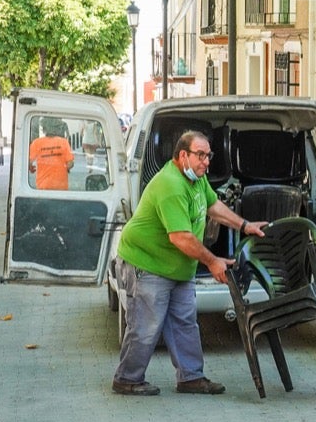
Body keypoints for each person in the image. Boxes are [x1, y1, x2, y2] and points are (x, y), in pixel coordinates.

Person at [112, 131, 266, 396]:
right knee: (146, 326)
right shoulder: (170, 185)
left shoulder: (196, 180)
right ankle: (127, 378)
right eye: (200, 155)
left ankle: (190, 378)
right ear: (183, 155)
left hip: (177, 267)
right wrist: (214, 261)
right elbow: (181, 237)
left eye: (209, 155)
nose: (206, 162)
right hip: (147, 263)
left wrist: (244, 225)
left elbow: (213, 205)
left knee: (185, 322)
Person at [28, 118, 76, 190]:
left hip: (43, 185)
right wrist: (63, 168)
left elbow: (28, 162)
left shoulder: (36, 143)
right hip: (61, 185)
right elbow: (70, 164)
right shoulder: (64, 142)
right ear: (57, 128)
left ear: (44, 129)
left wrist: (31, 168)